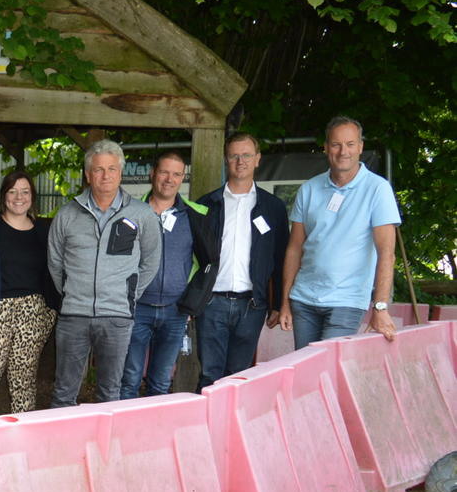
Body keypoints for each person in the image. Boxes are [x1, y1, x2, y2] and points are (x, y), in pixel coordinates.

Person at [47, 139, 161, 407]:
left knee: (110, 393)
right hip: (74, 314)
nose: (105, 175)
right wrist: (71, 292)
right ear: (88, 175)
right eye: (98, 169)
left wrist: (127, 294)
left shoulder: (141, 214)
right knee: (63, 392)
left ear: (120, 173)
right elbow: (55, 261)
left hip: (117, 316)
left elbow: (151, 261)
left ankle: (104, 438)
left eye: (112, 169)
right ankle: (63, 436)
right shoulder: (67, 214)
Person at [280, 116, 401, 349]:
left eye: (350, 144)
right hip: (303, 299)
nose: (343, 151)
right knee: (307, 367)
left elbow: (387, 254)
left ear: (360, 147)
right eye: (336, 144)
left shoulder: (378, 189)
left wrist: (380, 307)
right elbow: (294, 249)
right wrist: (285, 301)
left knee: (328, 364)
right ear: (326, 148)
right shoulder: (309, 188)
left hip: (347, 301)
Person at [195, 132, 289, 389]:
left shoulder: (273, 207)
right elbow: (193, 255)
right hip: (211, 303)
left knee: (239, 378)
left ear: (257, 159)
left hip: (252, 305)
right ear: (226, 159)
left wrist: (279, 304)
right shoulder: (207, 204)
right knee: (209, 376)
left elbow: (281, 258)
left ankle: (232, 418)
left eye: (246, 155)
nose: (240, 161)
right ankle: (207, 417)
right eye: (234, 155)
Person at [118, 153, 216, 399]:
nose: (169, 179)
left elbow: (209, 262)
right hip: (136, 308)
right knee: (129, 379)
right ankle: (128, 424)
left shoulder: (195, 215)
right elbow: (118, 259)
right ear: (153, 173)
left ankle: (155, 425)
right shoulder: (130, 212)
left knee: (161, 383)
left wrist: (193, 302)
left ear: (183, 178)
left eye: (176, 174)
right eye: (164, 172)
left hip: (175, 311)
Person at [0, 170, 60, 412]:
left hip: (33, 311)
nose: (19, 197)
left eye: (25, 192)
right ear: (3, 195)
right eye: (13, 191)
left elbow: (55, 269)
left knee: (23, 379)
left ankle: (22, 430)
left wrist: (50, 311)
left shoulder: (44, 230)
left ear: (32, 196)